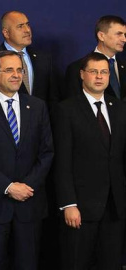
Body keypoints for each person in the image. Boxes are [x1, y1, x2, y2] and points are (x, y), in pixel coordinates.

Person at [0, 51, 53, 269]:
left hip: (29, 205)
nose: (15, 75)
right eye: (9, 70)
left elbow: (47, 152)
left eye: (19, 70)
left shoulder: (38, 106)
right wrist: (8, 187)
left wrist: (27, 186)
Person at [54, 52, 126, 270]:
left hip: (115, 207)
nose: (99, 77)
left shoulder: (120, 108)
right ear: (82, 75)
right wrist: (69, 204)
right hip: (81, 208)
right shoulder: (66, 109)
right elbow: (62, 162)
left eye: (104, 72)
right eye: (93, 71)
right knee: (77, 263)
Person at [0, 11, 58, 108]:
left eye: (28, 25)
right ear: (6, 33)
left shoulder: (44, 59)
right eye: (20, 26)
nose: (27, 30)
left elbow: (53, 99)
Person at [63, 15, 126, 100]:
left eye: (124, 35)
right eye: (119, 34)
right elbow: (73, 107)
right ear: (101, 36)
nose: (124, 39)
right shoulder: (76, 68)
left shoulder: (124, 66)